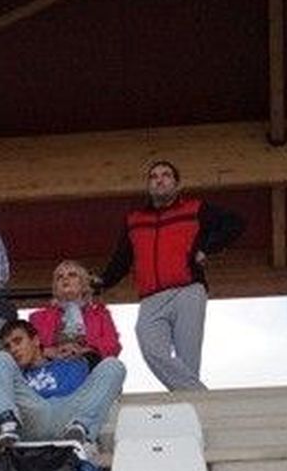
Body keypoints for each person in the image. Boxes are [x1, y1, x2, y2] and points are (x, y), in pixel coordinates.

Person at [98, 159, 244, 391]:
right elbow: (121, 260)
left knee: (188, 360)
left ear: (177, 185)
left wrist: (207, 248)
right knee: (151, 348)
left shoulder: (194, 209)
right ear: (149, 185)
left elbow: (235, 222)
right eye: (154, 177)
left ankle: (191, 407)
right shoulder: (134, 220)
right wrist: (102, 282)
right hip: (150, 298)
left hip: (188, 291)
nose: (159, 179)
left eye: (166, 175)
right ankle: (199, 395)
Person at [0, 319, 127, 448]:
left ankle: (81, 427)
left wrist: (85, 352)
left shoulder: (73, 361)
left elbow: (109, 383)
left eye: (18, 341)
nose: (13, 349)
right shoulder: (12, 375)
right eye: (8, 346)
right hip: (34, 415)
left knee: (114, 365)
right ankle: (7, 425)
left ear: (35, 340)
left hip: (72, 416)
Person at [28, 260, 121, 368]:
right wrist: (48, 351)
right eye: (59, 277)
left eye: (72, 275)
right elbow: (28, 349)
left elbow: (113, 345)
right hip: (52, 368)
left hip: (90, 367)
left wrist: (84, 350)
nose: (65, 278)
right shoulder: (37, 318)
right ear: (55, 288)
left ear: (83, 284)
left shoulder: (101, 315)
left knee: (115, 366)